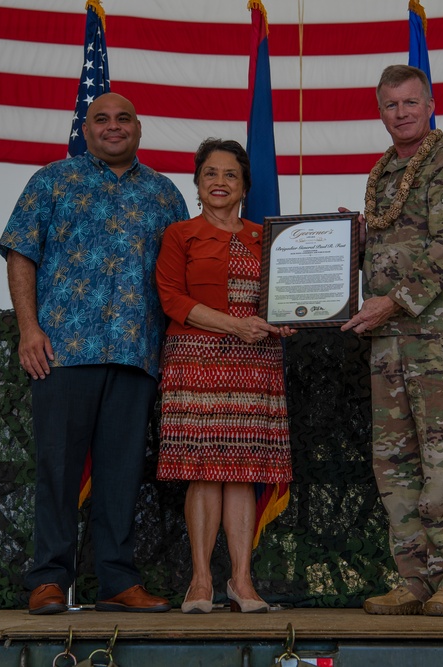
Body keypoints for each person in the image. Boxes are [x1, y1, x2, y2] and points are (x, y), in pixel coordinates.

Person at [0, 92, 189, 615]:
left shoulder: (165, 194)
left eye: (122, 118)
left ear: (139, 128)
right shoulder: (52, 180)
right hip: (62, 351)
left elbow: (179, 280)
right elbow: (21, 254)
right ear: (86, 130)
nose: (113, 126)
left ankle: (117, 581)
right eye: (101, 119)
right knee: (57, 469)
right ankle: (48, 580)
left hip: (137, 354)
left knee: (122, 473)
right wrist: (28, 329)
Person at [341, 65, 443, 617]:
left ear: (430, 105)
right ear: (380, 111)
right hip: (389, 339)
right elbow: (391, 245)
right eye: (390, 105)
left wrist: (392, 300)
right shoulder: (381, 174)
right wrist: (350, 242)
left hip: (440, 339)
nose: (401, 113)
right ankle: (415, 579)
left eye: (410, 103)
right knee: (394, 459)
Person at [154, 138, 295, 614]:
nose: (220, 182)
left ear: (244, 186)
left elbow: (286, 296)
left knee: (242, 472)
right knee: (202, 472)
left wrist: (295, 314)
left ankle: (241, 580)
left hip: (255, 364)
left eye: (230, 174)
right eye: (210, 173)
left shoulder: (269, 236)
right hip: (196, 360)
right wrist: (237, 326)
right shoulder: (179, 235)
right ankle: (199, 581)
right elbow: (171, 299)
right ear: (197, 183)